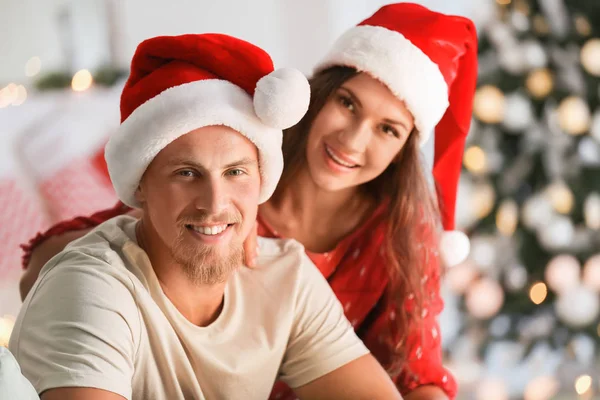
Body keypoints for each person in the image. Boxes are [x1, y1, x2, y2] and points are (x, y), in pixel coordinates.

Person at [19, 3, 478, 399]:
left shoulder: (317, 263)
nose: (353, 139)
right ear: (319, 96)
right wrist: (209, 238)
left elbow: (418, 371)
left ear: (404, 150)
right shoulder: (126, 258)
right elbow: (74, 258)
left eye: (388, 128)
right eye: (348, 103)